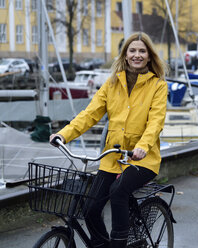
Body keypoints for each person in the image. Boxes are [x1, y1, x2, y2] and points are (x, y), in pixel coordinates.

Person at [50, 32, 168, 248]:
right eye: (132, 50)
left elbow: (156, 122)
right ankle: (102, 244)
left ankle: (118, 243)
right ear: (124, 55)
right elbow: (90, 114)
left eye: (142, 51)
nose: (137, 55)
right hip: (112, 158)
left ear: (149, 56)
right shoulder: (112, 83)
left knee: (118, 191)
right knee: (90, 209)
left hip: (142, 160)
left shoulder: (157, 86)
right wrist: (64, 134)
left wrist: (142, 147)